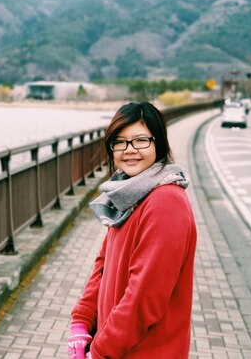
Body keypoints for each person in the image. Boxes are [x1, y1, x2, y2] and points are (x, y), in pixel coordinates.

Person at [67, 101, 197, 358]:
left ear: (158, 142)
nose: (130, 150)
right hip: (120, 348)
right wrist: (82, 320)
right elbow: (103, 266)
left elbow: (143, 299)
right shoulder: (128, 195)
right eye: (120, 142)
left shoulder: (165, 202)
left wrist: (100, 350)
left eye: (140, 141)